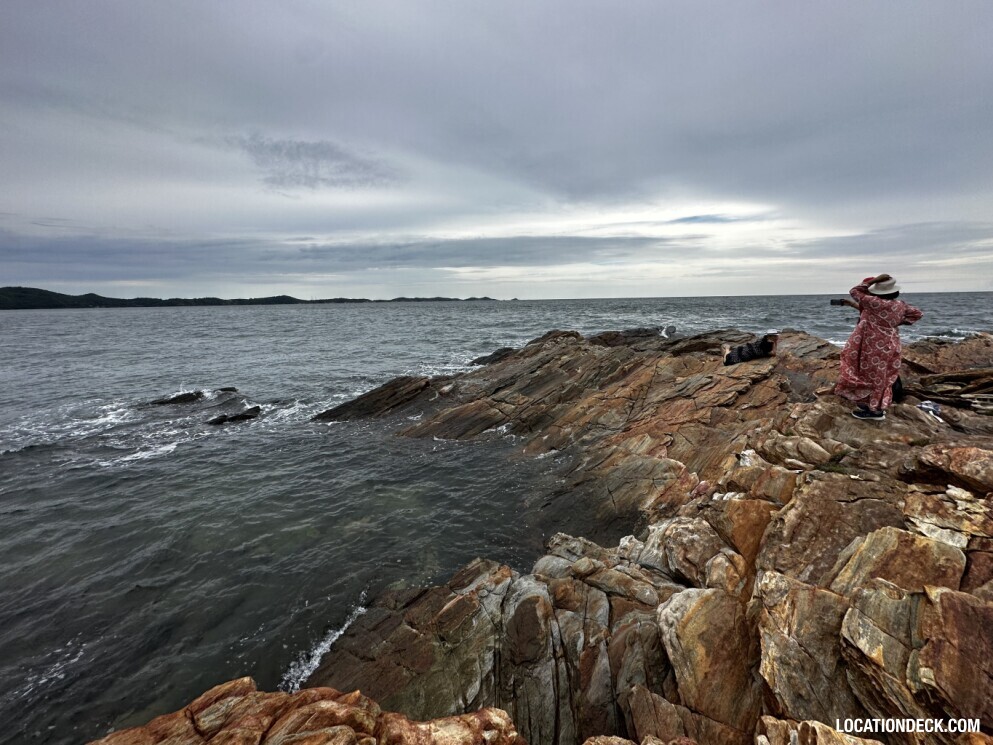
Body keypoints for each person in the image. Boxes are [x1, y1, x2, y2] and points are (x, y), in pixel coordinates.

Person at [834, 274, 923, 420]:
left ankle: (875, 410)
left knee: (868, 374)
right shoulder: (900, 305)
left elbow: (855, 291)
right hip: (891, 342)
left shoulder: (875, 302)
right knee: (882, 376)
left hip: (873, 344)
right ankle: (874, 404)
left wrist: (875, 280)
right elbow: (917, 314)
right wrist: (895, 323)